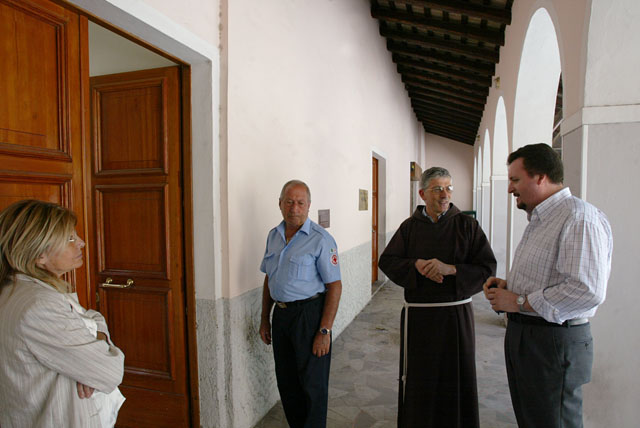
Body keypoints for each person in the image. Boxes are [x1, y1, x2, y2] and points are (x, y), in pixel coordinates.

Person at [484, 143, 613, 428]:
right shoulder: (542, 218)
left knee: (554, 422)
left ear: (540, 177)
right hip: (530, 336)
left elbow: (586, 290)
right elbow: (551, 276)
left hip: (552, 341)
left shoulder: (578, 218)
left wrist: (518, 301)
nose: (510, 188)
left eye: (515, 179)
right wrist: (510, 286)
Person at [379, 167, 496, 428]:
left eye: (448, 188)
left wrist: (451, 269)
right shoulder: (409, 228)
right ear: (422, 194)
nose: (445, 194)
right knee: (421, 378)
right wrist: (416, 265)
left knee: (456, 377)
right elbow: (387, 261)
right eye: (437, 189)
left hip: (456, 318)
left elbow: (487, 268)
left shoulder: (467, 226)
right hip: (419, 319)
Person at [0, 199, 125, 428]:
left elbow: (92, 317)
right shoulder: (39, 305)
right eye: (69, 238)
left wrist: (93, 346)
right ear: (39, 254)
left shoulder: (22, 289)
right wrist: (94, 361)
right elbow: (110, 371)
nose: (81, 243)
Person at [259, 180, 342, 428]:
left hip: (310, 316)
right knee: (287, 382)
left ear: (308, 206)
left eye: (300, 203)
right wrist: (265, 319)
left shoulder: (321, 239)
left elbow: (335, 286)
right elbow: (269, 278)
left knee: (313, 385)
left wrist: (324, 331)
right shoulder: (273, 236)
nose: (294, 208)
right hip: (282, 316)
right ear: (280, 204)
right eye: (289, 202)